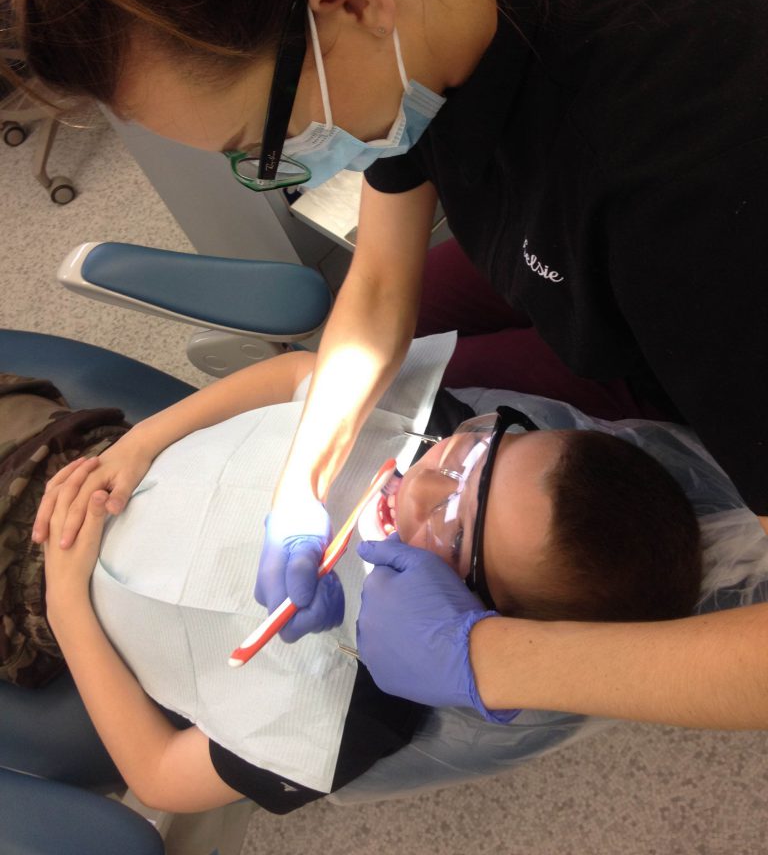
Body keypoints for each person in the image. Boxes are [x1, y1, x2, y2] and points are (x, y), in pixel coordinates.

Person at [2, 0, 766, 728]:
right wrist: (303, 483)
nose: (277, 168)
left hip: (673, 314)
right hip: (559, 253)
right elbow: (380, 283)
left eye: (262, 147)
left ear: (349, 9)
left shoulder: (698, 201)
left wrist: (491, 658)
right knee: (403, 360)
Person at [16, 348, 702, 814]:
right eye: (482, 450)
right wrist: (135, 446)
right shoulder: (432, 426)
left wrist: (66, 601)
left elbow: (161, 776)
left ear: (479, 614)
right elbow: (298, 373)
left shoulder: (361, 716)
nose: (429, 478)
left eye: (454, 528)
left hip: (28, 590)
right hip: (81, 449)